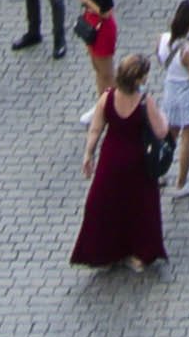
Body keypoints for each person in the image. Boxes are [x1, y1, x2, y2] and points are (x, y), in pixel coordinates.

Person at [71, 52, 172, 272]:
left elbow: (96, 128)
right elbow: (162, 130)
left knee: (106, 206)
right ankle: (139, 255)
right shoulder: (145, 101)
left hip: (111, 161)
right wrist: (163, 115)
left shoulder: (107, 97)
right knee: (140, 209)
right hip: (138, 165)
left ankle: (105, 253)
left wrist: (89, 154)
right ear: (137, 79)